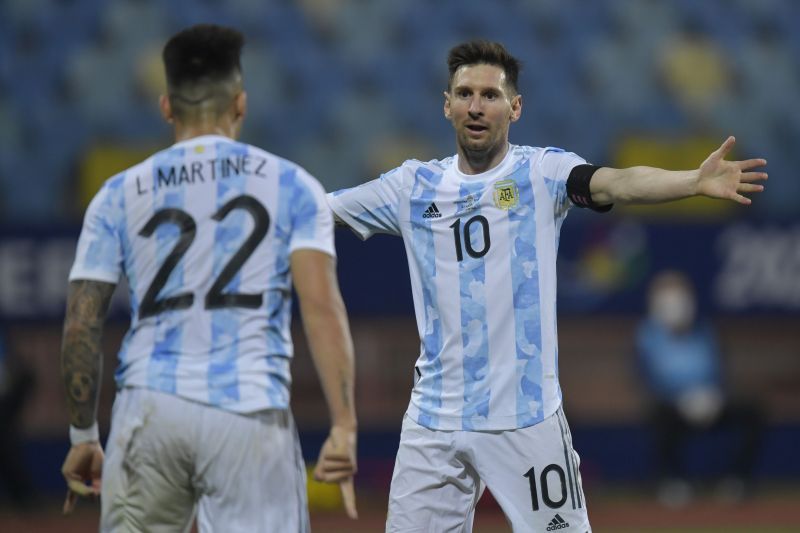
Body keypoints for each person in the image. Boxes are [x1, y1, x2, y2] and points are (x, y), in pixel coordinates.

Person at [326, 40, 767, 532]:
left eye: (490, 96)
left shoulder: (543, 173)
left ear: (515, 107)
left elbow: (616, 182)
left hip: (526, 418)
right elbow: (318, 211)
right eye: (465, 94)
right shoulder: (411, 187)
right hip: (433, 421)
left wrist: (691, 181)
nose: (476, 106)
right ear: (446, 104)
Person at [60, 24, 358, 532]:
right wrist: (344, 425)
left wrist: (83, 434)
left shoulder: (118, 193)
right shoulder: (292, 185)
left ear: (165, 106)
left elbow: (81, 324)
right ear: (240, 104)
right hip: (248, 411)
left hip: (149, 410)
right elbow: (321, 307)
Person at [637, 270, 763, 506]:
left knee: (752, 411)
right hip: (673, 407)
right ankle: (673, 482)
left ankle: (737, 480)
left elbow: (718, 370)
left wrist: (712, 396)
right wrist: (680, 398)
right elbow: (649, 378)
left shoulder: (704, 331)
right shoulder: (648, 335)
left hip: (710, 401)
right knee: (659, 416)